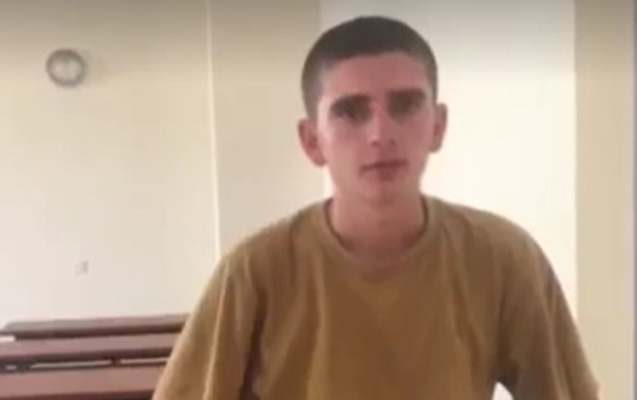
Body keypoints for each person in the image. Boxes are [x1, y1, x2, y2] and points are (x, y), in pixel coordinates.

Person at [152, 16, 599, 400]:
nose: (381, 134)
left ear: (438, 125)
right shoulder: (254, 273)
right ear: (312, 141)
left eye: (405, 105)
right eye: (351, 112)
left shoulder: (503, 258)